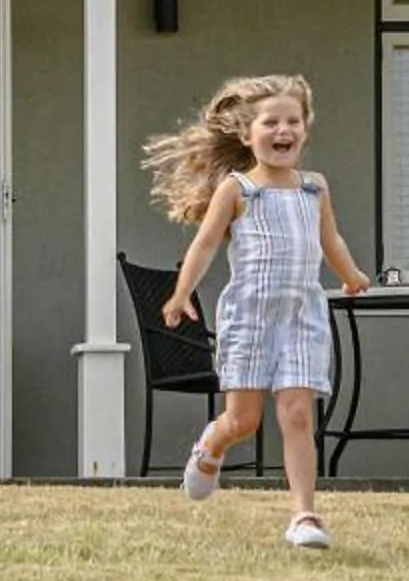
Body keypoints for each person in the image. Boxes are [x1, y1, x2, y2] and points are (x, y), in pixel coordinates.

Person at [144, 73, 369, 549]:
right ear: (248, 134)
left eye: (293, 120)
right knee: (244, 421)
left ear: (306, 128)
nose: (282, 130)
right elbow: (205, 244)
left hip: (302, 316)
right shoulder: (239, 189)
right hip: (249, 318)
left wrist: (350, 274)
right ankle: (211, 446)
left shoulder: (314, 189)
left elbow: (329, 239)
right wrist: (181, 294)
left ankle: (305, 516)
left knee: (297, 414)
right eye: (271, 122)